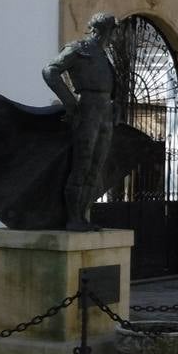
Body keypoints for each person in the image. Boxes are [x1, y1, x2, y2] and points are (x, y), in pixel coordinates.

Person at [43, 13, 119, 231]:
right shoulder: (79, 48)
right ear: (103, 30)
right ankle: (73, 218)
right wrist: (70, 103)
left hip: (104, 112)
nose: (114, 36)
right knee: (82, 166)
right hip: (88, 110)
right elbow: (50, 71)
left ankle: (82, 217)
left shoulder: (104, 55)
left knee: (96, 168)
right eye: (113, 31)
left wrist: (116, 106)